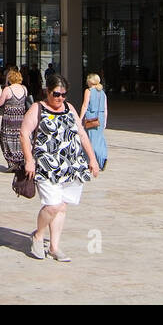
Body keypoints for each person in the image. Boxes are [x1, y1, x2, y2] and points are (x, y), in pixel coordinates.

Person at [20, 73, 99, 262]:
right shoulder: (37, 108)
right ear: (48, 91)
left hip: (71, 165)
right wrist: (29, 159)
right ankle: (38, 235)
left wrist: (92, 159)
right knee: (52, 205)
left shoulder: (69, 108)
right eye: (56, 94)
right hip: (47, 166)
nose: (60, 98)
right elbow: (24, 133)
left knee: (62, 207)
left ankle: (55, 247)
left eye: (64, 94)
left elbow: (82, 134)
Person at [0, 68, 29, 171]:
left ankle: (11, 162)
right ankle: (20, 160)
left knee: (6, 139)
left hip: (9, 118)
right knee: (19, 138)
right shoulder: (24, 89)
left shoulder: (8, 90)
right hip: (21, 118)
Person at [79, 73, 108, 171]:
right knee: (100, 139)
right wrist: (105, 121)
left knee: (91, 139)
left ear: (90, 81)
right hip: (100, 117)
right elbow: (105, 108)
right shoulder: (102, 92)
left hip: (91, 117)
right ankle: (102, 158)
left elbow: (85, 105)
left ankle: (91, 161)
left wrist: (80, 119)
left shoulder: (88, 91)